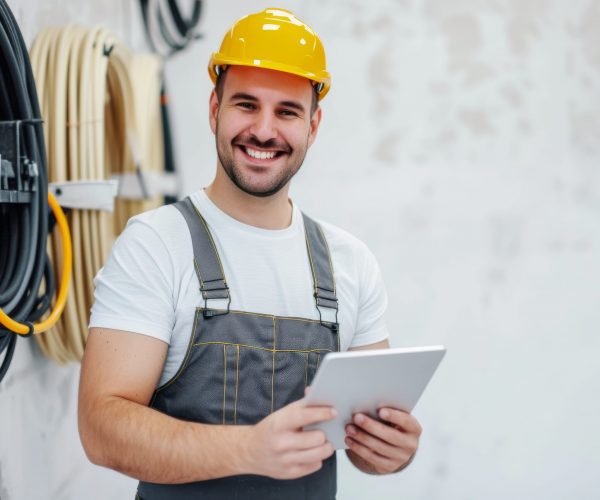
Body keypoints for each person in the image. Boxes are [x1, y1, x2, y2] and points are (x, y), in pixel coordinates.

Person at [78, 8, 422, 500]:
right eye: (246, 104)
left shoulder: (351, 262)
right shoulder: (155, 244)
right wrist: (246, 450)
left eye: (286, 111)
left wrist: (390, 450)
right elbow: (101, 428)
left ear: (313, 125)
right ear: (215, 109)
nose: (264, 130)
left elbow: (366, 437)